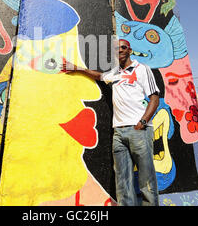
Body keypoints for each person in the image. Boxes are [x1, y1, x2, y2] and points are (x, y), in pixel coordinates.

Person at [62, 39, 160, 206]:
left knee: (146, 177)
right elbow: (99, 76)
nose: (119, 50)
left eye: (123, 47)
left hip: (139, 131)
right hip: (119, 133)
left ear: (129, 50)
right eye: (116, 48)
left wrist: (142, 122)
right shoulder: (114, 73)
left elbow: (154, 97)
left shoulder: (142, 69)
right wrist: (76, 68)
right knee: (122, 180)